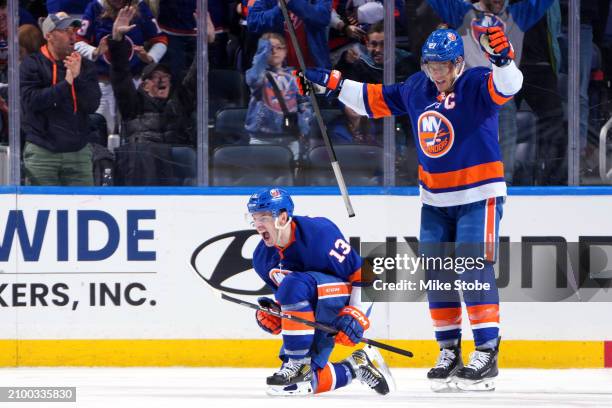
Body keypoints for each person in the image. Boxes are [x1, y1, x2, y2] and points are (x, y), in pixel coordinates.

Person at [300, 26, 523, 391]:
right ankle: (449, 350)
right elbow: (372, 99)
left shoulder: (478, 82)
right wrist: (331, 82)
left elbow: (509, 85)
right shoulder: (417, 87)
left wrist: (503, 59)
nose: (436, 74)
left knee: (471, 268)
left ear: (459, 63)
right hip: (434, 198)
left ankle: (486, 352)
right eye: (431, 66)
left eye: (443, 67)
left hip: (478, 194)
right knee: (438, 275)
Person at [246, 187, 394, 396]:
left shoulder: (319, 234)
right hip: (313, 302)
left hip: (341, 299)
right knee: (297, 385)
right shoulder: (262, 259)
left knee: (294, 284)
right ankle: (356, 366)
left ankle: (298, 363)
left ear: (283, 217)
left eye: (264, 217)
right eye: (254, 217)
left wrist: (358, 314)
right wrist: (275, 314)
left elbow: (367, 275)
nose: (258, 224)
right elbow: (290, 301)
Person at [424, 0, 554, 184]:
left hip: (501, 94)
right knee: (466, 153)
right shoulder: (462, 12)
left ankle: (503, 186)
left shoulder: (517, 16)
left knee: (503, 157)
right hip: (467, 96)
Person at [108, 5, 196, 185]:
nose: (162, 81)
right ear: (144, 83)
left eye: (166, 77)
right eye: (156, 77)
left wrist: (207, 44)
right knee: (142, 152)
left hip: (173, 165)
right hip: (143, 168)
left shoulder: (179, 100)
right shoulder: (133, 103)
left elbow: (198, 76)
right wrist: (117, 40)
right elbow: (120, 74)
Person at [21, 11, 101, 186]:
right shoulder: (32, 64)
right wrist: (66, 83)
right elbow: (31, 102)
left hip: (78, 152)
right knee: (40, 208)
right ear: (49, 35)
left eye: (74, 31)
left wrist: (77, 78)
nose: (72, 36)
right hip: (43, 152)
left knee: (84, 207)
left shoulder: (85, 66)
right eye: (66, 31)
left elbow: (92, 105)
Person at [75, 0, 168, 133]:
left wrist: (150, 57)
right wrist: (95, 51)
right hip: (103, 82)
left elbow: (160, 40)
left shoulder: (141, 8)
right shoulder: (95, 7)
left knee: (134, 126)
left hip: (133, 80)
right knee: (101, 127)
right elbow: (78, 42)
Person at [245, 33, 312, 160]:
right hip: (261, 138)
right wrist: (263, 50)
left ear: (286, 51)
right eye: (270, 48)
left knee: (290, 177)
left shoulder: (300, 76)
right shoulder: (255, 74)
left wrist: (303, 127)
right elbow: (253, 79)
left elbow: (307, 104)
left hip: (290, 137)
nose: (274, 51)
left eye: (278, 47)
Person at [247, 0, 332, 68]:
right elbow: (253, 22)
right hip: (279, 71)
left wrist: (292, 2)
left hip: (315, 66)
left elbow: (323, 17)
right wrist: (279, 10)